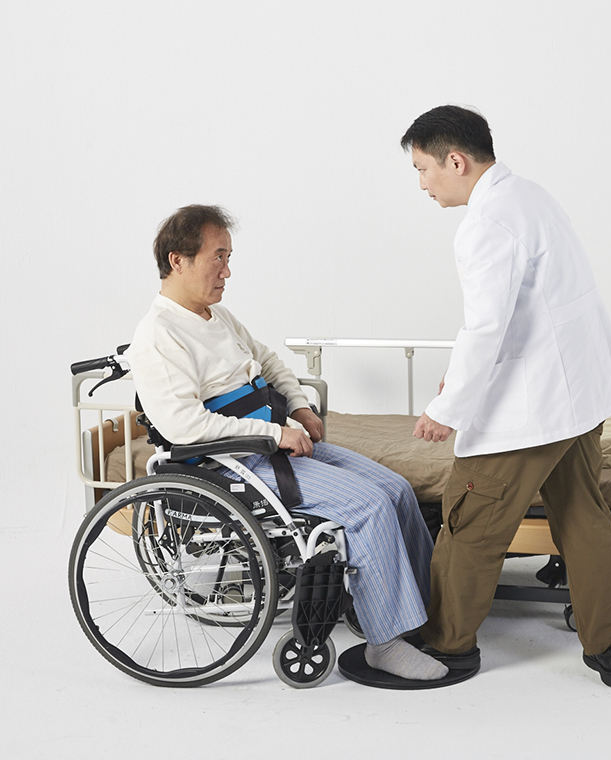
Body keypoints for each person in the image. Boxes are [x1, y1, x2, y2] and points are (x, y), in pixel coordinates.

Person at [127, 204, 447, 682]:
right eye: (218, 257)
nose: (227, 271)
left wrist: (299, 408)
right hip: (233, 462)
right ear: (179, 260)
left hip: (272, 442)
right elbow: (185, 427)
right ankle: (386, 644)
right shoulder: (158, 335)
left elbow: (270, 361)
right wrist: (276, 433)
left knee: (397, 489)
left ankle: (423, 615)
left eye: (229, 257)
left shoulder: (217, 317)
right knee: (368, 506)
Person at [401, 105, 611, 687]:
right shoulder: (531, 196)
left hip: (534, 408)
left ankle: (446, 647)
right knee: (583, 516)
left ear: (456, 161)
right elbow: (533, 310)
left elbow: (487, 328)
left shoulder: (486, 223)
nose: (423, 184)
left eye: (423, 169)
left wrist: (447, 409)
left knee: (469, 523)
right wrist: (460, 378)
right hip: (579, 394)